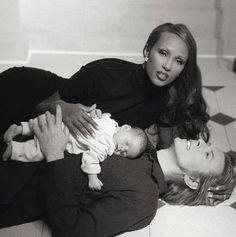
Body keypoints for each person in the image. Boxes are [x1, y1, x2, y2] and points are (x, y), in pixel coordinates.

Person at [0, 22, 232, 212]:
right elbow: (41, 104)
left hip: (48, 134)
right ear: (146, 51)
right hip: (22, 94)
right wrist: (65, 108)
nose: (168, 66)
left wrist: (210, 184)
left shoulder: (166, 101)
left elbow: (168, 155)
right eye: (163, 53)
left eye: (178, 61)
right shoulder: (105, 73)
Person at [0, 106, 234, 237]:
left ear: (192, 180)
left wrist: (54, 155)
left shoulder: (143, 200)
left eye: (207, 154)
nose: (201, 143)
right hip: (17, 131)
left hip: (13, 181)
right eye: (207, 145)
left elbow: (73, 230)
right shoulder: (142, 143)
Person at [2, 112, 148, 190]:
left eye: (125, 153)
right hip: (63, 137)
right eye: (126, 143)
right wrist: (93, 178)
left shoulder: (108, 120)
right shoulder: (105, 145)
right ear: (125, 127)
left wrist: (94, 113)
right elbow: (90, 158)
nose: (122, 149)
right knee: (38, 151)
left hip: (62, 124)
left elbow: (96, 115)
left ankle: (19, 129)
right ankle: (15, 149)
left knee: (41, 125)